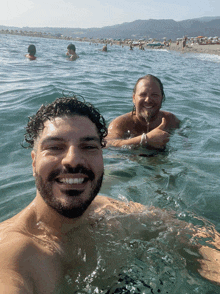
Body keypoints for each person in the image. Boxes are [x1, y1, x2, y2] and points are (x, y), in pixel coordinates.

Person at [0, 96, 219, 293]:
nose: (73, 160)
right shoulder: (14, 254)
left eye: (88, 147)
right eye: (55, 147)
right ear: (33, 161)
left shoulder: (110, 213)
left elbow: (193, 236)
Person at [107, 74, 180, 149]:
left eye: (154, 95)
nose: (148, 100)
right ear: (134, 98)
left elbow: (186, 145)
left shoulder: (171, 120)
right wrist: (145, 139)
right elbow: (107, 144)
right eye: (143, 95)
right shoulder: (121, 124)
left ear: (162, 98)